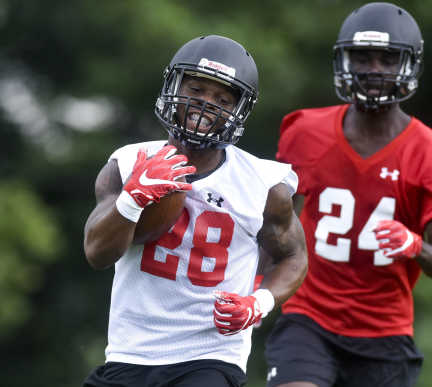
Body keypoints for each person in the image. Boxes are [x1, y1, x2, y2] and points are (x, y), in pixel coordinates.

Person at [263, 3, 432, 387]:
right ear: (344, 61)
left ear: (409, 66)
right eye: (362, 58)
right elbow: (277, 227)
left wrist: (414, 245)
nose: (374, 69)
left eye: (387, 59)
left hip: (383, 332)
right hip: (309, 316)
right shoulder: (304, 131)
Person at [82, 35, 308, 387]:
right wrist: (133, 198)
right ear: (174, 86)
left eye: (222, 99)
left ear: (238, 111)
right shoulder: (127, 163)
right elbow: (97, 253)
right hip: (131, 351)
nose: (205, 104)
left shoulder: (263, 184)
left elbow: (294, 256)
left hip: (210, 354)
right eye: (197, 90)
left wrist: (258, 302)